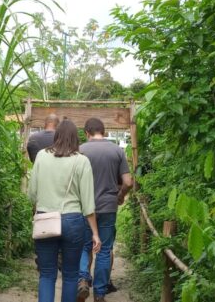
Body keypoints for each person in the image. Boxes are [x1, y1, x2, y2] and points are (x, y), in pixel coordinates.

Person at [29, 120, 102, 302]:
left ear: (56, 136)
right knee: (70, 275)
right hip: (73, 222)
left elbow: (32, 194)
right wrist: (95, 233)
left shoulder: (41, 156)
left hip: (46, 220)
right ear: (76, 138)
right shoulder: (81, 160)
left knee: (46, 274)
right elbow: (88, 203)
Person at [77, 118, 133, 302]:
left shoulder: (80, 151)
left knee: (84, 246)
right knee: (104, 249)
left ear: (87, 132)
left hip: (85, 207)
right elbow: (128, 182)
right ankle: (100, 294)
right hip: (109, 206)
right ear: (105, 131)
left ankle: (83, 279)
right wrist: (121, 195)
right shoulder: (117, 151)